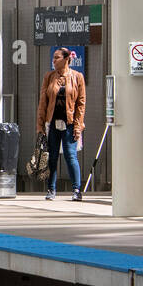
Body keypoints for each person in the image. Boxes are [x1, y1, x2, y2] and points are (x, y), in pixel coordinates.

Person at [35, 47, 86, 201]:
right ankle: (51, 189)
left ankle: (76, 189)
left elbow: (81, 104)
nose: (54, 60)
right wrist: (40, 124)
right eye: (53, 57)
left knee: (71, 156)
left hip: (70, 123)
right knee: (52, 156)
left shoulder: (77, 77)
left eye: (57, 57)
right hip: (53, 123)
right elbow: (43, 102)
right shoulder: (49, 77)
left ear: (66, 59)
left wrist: (78, 125)